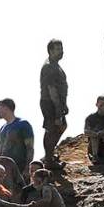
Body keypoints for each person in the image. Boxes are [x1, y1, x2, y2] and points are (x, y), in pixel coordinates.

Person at [39, 38, 69, 169]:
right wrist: (58, 111)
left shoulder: (55, 65)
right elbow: (52, 90)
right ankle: (49, 160)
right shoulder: (49, 67)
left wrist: (64, 105)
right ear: (50, 51)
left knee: (59, 127)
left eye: (61, 49)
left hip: (55, 103)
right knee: (53, 129)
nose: (61, 51)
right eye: (58, 49)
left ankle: (49, 156)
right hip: (50, 103)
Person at [0, 97, 35, 174]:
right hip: (6, 170)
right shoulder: (2, 129)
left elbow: (30, 148)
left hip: (20, 167)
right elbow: (1, 151)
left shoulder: (23, 124)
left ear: (6, 108)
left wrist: (27, 169)